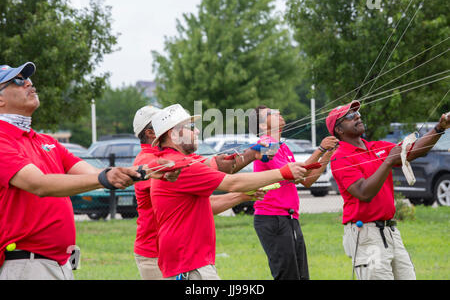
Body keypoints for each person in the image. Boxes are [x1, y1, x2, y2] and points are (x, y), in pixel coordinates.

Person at [0, 62, 168, 280]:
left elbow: (95, 172)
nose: (29, 83)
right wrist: (104, 177)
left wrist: (146, 171)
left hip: (59, 263)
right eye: (19, 80)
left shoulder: (44, 141)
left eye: (29, 79)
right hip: (26, 265)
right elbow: (38, 184)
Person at [149, 104, 308, 280]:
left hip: (190, 260)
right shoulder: (180, 165)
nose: (196, 132)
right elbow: (232, 182)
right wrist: (283, 172)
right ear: (174, 134)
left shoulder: (185, 160)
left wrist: (244, 192)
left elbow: (210, 197)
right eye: (191, 127)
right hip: (188, 263)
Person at [132, 105, 269, 280]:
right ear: (152, 133)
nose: (195, 131)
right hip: (154, 252)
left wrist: (254, 152)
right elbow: (219, 177)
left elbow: (220, 169)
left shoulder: (177, 157)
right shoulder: (152, 161)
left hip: (178, 252)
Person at [327, 100, 449, 280]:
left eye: (357, 113)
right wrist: (388, 162)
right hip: (366, 236)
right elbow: (364, 193)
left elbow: (414, 150)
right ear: (339, 130)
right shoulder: (340, 158)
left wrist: (439, 128)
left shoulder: (376, 147)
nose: (358, 116)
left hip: (390, 230)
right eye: (350, 116)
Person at [252, 105, 339, 280]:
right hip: (272, 219)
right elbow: (291, 174)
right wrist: (320, 150)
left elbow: (307, 180)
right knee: (288, 276)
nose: (278, 113)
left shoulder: (283, 147)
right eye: (270, 113)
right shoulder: (264, 146)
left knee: (301, 275)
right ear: (261, 126)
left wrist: (328, 153)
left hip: (289, 218)